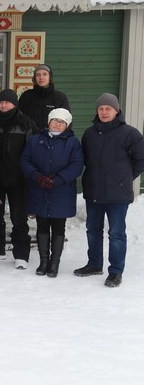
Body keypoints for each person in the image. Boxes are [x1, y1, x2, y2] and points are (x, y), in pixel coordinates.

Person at [74, 93, 144, 287]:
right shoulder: (89, 133)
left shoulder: (130, 133)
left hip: (117, 195)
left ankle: (115, 271)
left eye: (108, 108)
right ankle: (94, 264)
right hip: (94, 191)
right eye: (101, 108)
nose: (104, 112)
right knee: (92, 230)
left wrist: (124, 178)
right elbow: (85, 159)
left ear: (116, 110)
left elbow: (141, 160)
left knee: (116, 233)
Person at [21, 108, 83, 278]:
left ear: (67, 125)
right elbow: (25, 160)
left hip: (61, 191)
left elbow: (77, 165)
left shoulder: (73, 143)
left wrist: (58, 179)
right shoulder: (35, 140)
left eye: (62, 122)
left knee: (58, 226)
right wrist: (37, 176)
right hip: (39, 189)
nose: (57, 123)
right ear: (48, 122)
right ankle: (43, 262)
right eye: (54, 120)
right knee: (41, 225)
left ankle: (54, 263)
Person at [0, 89, 38, 268]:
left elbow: (33, 151)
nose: (4, 105)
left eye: (8, 102)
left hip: (18, 181)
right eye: (1, 102)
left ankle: (21, 255)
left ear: (14, 104)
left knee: (19, 218)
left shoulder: (25, 123)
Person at [18, 64, 70, 130]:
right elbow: (19, 119)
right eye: (38, 75)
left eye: (44, 74)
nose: (41, 78)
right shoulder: (26, 96)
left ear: (50, 77)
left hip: (52, 138)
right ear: (34, 78)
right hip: (29, 138)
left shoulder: (60, 97)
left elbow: (66, 121)